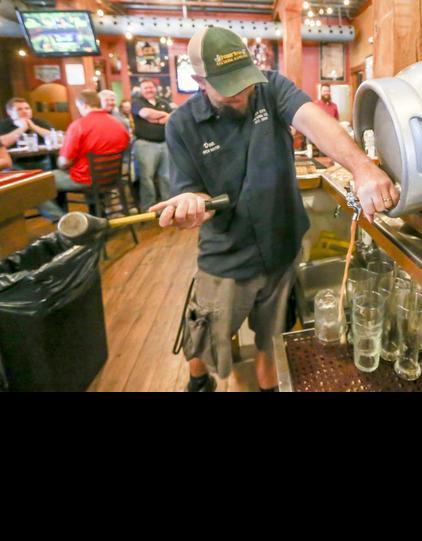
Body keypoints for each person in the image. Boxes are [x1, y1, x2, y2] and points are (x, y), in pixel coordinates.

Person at [157, 26, 399, 392]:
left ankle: (271, 388)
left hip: (282, 247)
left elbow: (314, 121)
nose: (241, 92)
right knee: (206, 335)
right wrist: (192, 205)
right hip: (227, 257)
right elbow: (192, 194)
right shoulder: (182, 125)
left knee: (274, 335)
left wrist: (363, 167)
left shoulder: (270, 87)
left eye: (244, 80)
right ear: (198, 80)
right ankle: (199, 382)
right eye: (227, 85)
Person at [38, 90, 130, 221]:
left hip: (86, 178)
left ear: (84, 105)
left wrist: (62, 161)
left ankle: (65, 222)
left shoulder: (79, 125)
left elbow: (64, 162)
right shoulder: (119, 124)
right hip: (113, 176)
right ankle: (97, 217)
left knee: (38, 183)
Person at [131, 78, 174, 212]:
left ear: (155, 88)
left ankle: (166, 207)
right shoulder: (136, 102)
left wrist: (156, 117)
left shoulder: (163, 102)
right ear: (141, 90)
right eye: (146, 88)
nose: (149, 90)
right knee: (146, 178)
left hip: (165, 144)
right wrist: (161, 115)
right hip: (145, 145)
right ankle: (148, 209)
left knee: (166, 177)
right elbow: (145, 113)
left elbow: (171, 118)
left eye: (151, 87)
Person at [0, 98, 55, 171]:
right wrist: (23, 128)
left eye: (27, 108)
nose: (25, 111)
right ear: (9, 112)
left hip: (41, 160)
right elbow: (3, 142)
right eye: (19, 109)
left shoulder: (39, 122)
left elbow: (56, 138)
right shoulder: (4, 125)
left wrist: (34, 127)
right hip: (15, 163)